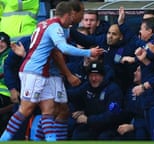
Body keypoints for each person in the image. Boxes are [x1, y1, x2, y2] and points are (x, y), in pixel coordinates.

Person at [0, 1, 103, 141]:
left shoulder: (46, 24)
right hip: (34, 71)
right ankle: (4, 139)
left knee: (50, 110)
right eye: (81, 12)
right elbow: (62, 49)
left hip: (44, 72)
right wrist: (88, 52)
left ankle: (52, 141)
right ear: (70, 14)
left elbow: (42, 48)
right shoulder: (55, 27)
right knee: (26, 109)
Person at [71, 61, 123, 140]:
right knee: (78, 134)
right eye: (91, 76)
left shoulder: (113, 90)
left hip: (110, 127)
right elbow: (74, 95)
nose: (94, 79)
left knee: (103, 138)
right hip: (92, 125)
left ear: (103, 76)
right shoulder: (87, 86)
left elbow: (112, 115)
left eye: (96, 75)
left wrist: (88, 120)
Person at [0, 32, 13, 135]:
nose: (0, 44)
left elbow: (6, 74)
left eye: (2, 41)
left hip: (6, 94)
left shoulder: (9, 55)